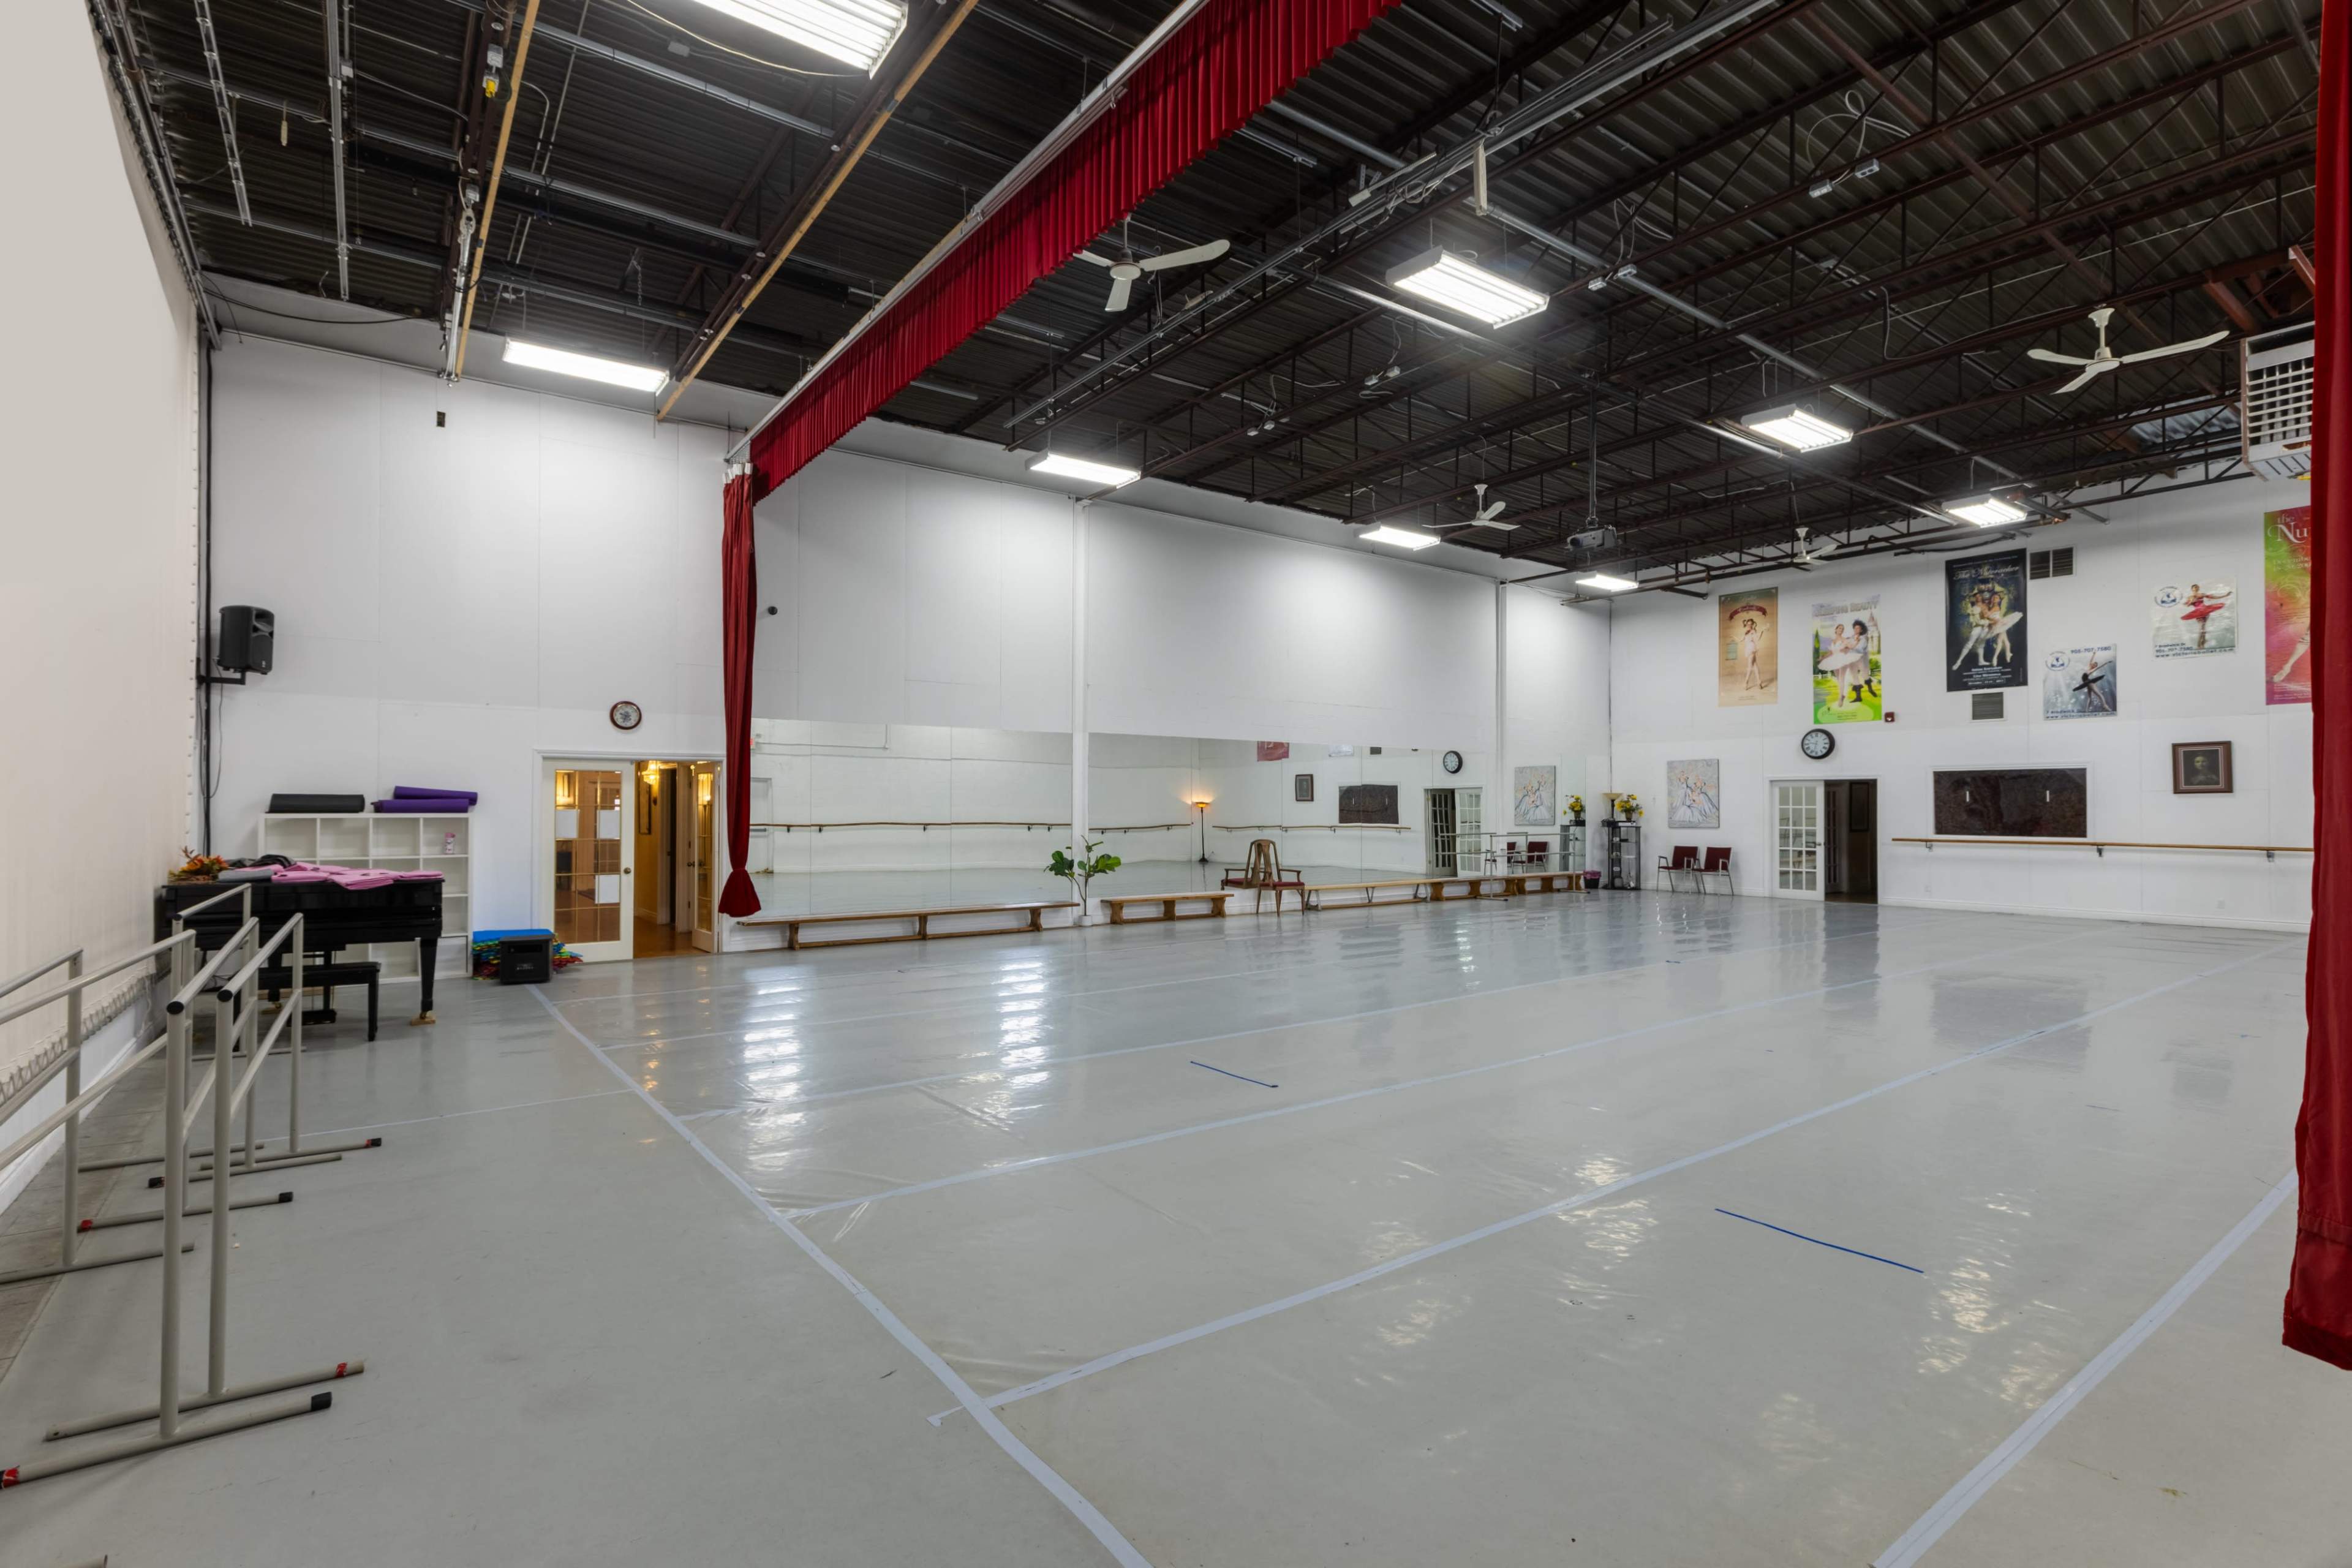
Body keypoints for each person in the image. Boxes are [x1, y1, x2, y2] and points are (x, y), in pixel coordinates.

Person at [2178, 582, 2232, 650]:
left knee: (2203, 628)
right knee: (2202, 628)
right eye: (2195, 587)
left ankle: (2202, 643)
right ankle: (2200, 644)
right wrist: (2191, 602)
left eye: (2197, 587)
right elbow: (2186, 605)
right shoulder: (2190, 597)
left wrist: (2225, 595)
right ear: (2192, 589)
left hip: (2206, 611)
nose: (2197, 588)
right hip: (2198, 613)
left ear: (2199, 588)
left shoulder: (2202, 595)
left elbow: (2213, 597)